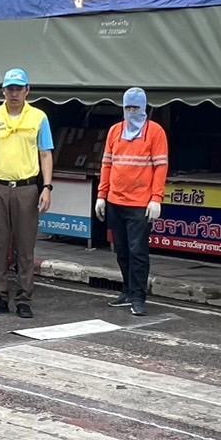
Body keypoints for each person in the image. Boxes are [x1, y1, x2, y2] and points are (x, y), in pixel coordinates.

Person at [0, 67, 54, 320]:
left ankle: (23, 298)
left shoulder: (39, 117)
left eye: (19, 89)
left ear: (27, 91)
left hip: (27, 188)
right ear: (3, 91)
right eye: (10, 89)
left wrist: (47, 187)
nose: (14, 94)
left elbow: (45, 154)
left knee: (25, 245)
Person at [95, 87, 168, 317]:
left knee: (138, 252)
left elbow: (160, 167)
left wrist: (156, 198)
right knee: (122, 251)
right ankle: (127, 291)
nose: (131, 112)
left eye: (135, 108)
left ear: (144, 108)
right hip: (115, 201)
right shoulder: (115, 131)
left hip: (140, 204)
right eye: (127, 108)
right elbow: (107, 164)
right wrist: (101, 195)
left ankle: (138, 297)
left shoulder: (155, 131)